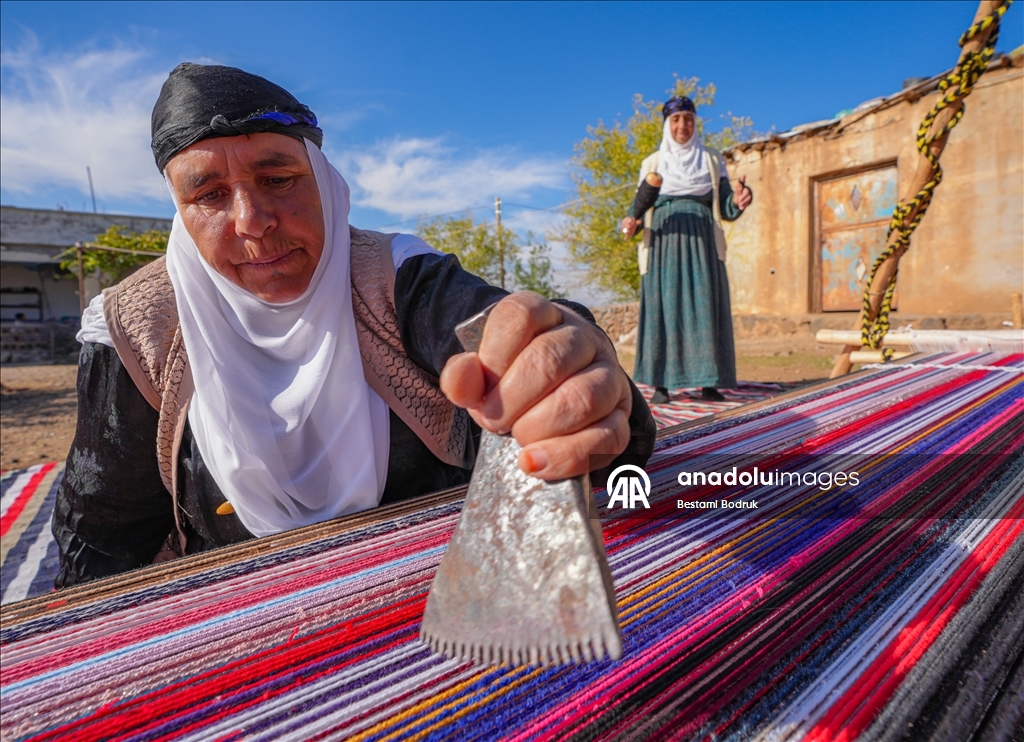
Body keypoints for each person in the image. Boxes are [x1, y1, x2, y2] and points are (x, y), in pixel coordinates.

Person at [53, 63, 655, 586]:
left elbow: (495, 332)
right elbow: (105, 537)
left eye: (278, 179)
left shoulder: (393, 276)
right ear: (181, 213)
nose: (253, 221)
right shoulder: (134, 329)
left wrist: (565, 367)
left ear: (325, 182)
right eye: (208, 194)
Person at [621, 96, 752, 404]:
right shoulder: (652, 164)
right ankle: (661, 384)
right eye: (676, 119)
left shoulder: (711, 159)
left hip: (703, 239)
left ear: (696, 123)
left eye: (688, 119)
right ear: (668, 125)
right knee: (664, 306)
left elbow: (728, 207)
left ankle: (709, 382)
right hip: (664, 240)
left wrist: (742, 199)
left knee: (705, 304)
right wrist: (632, 223)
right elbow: (637, 211)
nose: (683, 125)